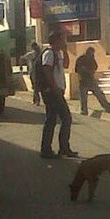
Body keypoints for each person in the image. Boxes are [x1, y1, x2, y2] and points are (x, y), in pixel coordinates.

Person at [39, 30, 75, 159]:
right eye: (62, 39)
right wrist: (54, 87)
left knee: (54, 119)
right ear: (56, 41)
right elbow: (47, 71)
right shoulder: (49, 53)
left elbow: (66, 65)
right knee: (64, 118)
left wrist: (65, 51)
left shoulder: (57, 53)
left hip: (57, 91)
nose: (64, 42)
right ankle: (50, 149)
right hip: (52, 92)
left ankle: (61, 148)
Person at [74, 46, 110, 116]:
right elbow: (77, 69)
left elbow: (95, 67)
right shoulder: (81, 59)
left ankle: (107, 107)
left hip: (91, 80)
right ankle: (84, 110)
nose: (91, 54)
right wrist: (83, 70)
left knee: (100, 94)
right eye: (91, 53)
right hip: (83, 80)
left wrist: (90, 70)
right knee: (83, 98)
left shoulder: (92, 59)